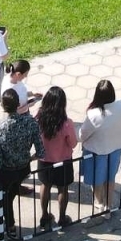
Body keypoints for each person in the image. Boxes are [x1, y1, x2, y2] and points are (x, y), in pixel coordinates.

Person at [0, 89, 43, 238]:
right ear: (18, 104)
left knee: (5, 198)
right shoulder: (30, 122)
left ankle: (9, 226)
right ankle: (4, 222)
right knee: (10, 195)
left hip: (5, 172)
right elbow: (41, 151)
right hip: (23, 169)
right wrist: (29, 159)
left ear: (2, 106)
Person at [77, 80, 121, 213]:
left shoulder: (94, 114)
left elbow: (82, 135)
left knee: (97, 179)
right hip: (115, 147)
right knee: (110, 178)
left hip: (96, 151)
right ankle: (108, 204)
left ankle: (99, 202)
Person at [35, 86, 76, 230]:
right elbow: (73, 143)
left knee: (45, 186)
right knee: (62, 189)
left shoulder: (38, 118)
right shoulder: (66, 123)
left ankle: (44, 215)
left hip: (44, 160)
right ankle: (62, 218)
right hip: (63, 161)